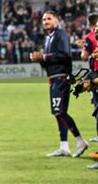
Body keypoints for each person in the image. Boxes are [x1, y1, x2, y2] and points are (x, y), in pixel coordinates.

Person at [30, 11, 88, 158]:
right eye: (43, 19)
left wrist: (44, 56)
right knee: (58, 112)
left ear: (56, 20)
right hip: (53, 77)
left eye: (49, 18)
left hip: (61, 77)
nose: (45, 21)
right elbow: (48, 63)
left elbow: (65, 54)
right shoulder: (47, 38)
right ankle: (64, 147)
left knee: (60, 112)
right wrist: (40, 60)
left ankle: (80, 141)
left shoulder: (61, 34)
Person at [78, 13, 98, 143]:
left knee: (97, 104)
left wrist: (85, 50)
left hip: (95, 73)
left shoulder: (89, 37)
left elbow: (84, 57)